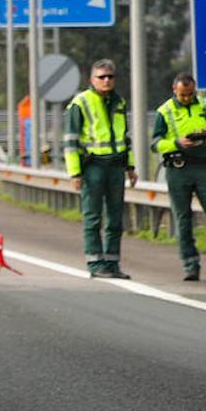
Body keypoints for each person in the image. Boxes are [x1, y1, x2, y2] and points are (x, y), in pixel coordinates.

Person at [150, 72, 206, 283]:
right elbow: (155, 143)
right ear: (175, 90)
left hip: (204, 168)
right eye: (182, 95)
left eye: (190, 94)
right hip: (177, 168)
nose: (186, 98)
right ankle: (190, 265)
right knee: (183, 219)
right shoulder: (165, 111)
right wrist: (177, 143)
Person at [64, 59, 137, 278]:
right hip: (93, 166)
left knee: (115, 218)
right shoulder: (80, 103)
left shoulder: (119, 102)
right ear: (91, 80)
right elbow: (70, 141)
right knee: (93, 217)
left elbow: (124, 138)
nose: (106, 81)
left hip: (115, 166)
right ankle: (96, 264)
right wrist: (75, 173)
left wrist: (130, 167)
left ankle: (113, 264)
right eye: (101, 77)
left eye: (110, 77)